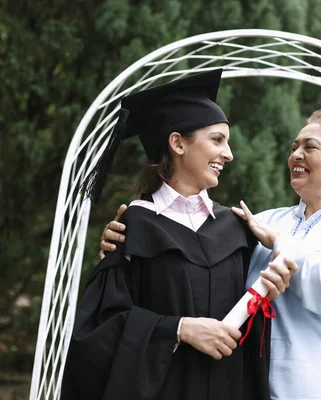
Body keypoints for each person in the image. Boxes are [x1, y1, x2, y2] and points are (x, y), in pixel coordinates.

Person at [101, 109, 321, 399]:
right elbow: (205, 276)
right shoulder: (261, 222)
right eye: (294, 147)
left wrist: (281, 244)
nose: (296, 155)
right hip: (263, 387)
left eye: (310, 147)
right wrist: (126, 246)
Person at [62, 69, 296, 400]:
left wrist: (267, 295)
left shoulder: (236, 228)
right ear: (177, 143)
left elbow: (252, 330)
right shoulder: (135, 229)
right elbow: (99, 332)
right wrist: (178, 329)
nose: (229, 154)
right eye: (217, 140)